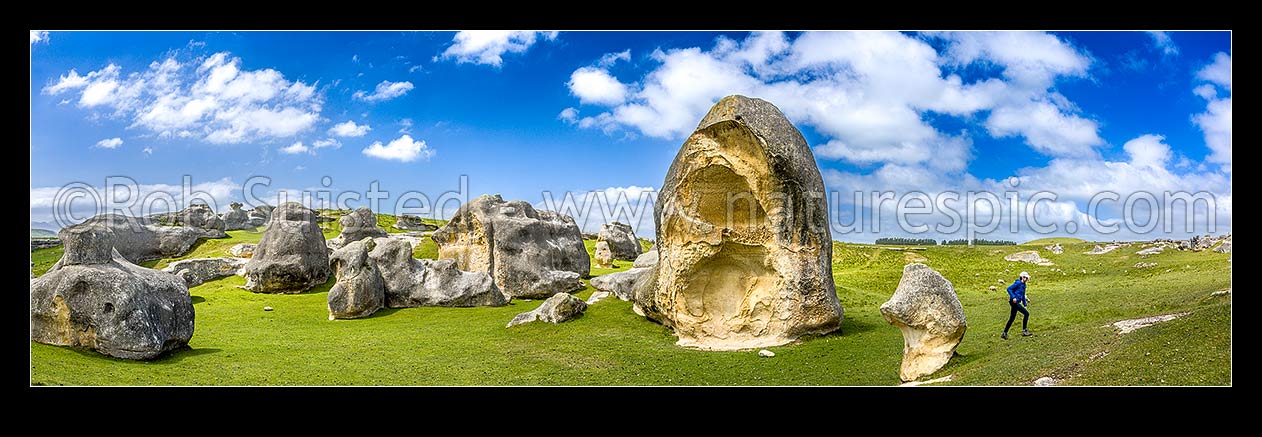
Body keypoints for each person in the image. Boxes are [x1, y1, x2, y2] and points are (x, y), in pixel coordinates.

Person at [1002, 271, 1032, 339]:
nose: (1027, 279)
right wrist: (1013, 297)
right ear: (1022, 277)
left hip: (1017, 302)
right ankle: (1024, 331)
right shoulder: (1018, 283)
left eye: (1027, 278)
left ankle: (1004, 333)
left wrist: (1025, 304)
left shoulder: (1024, 285)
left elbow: (1023, 295)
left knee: (1012, 318)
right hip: (1014, 302)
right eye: (1026, 278)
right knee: (1026, 314)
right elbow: (1009, 289)